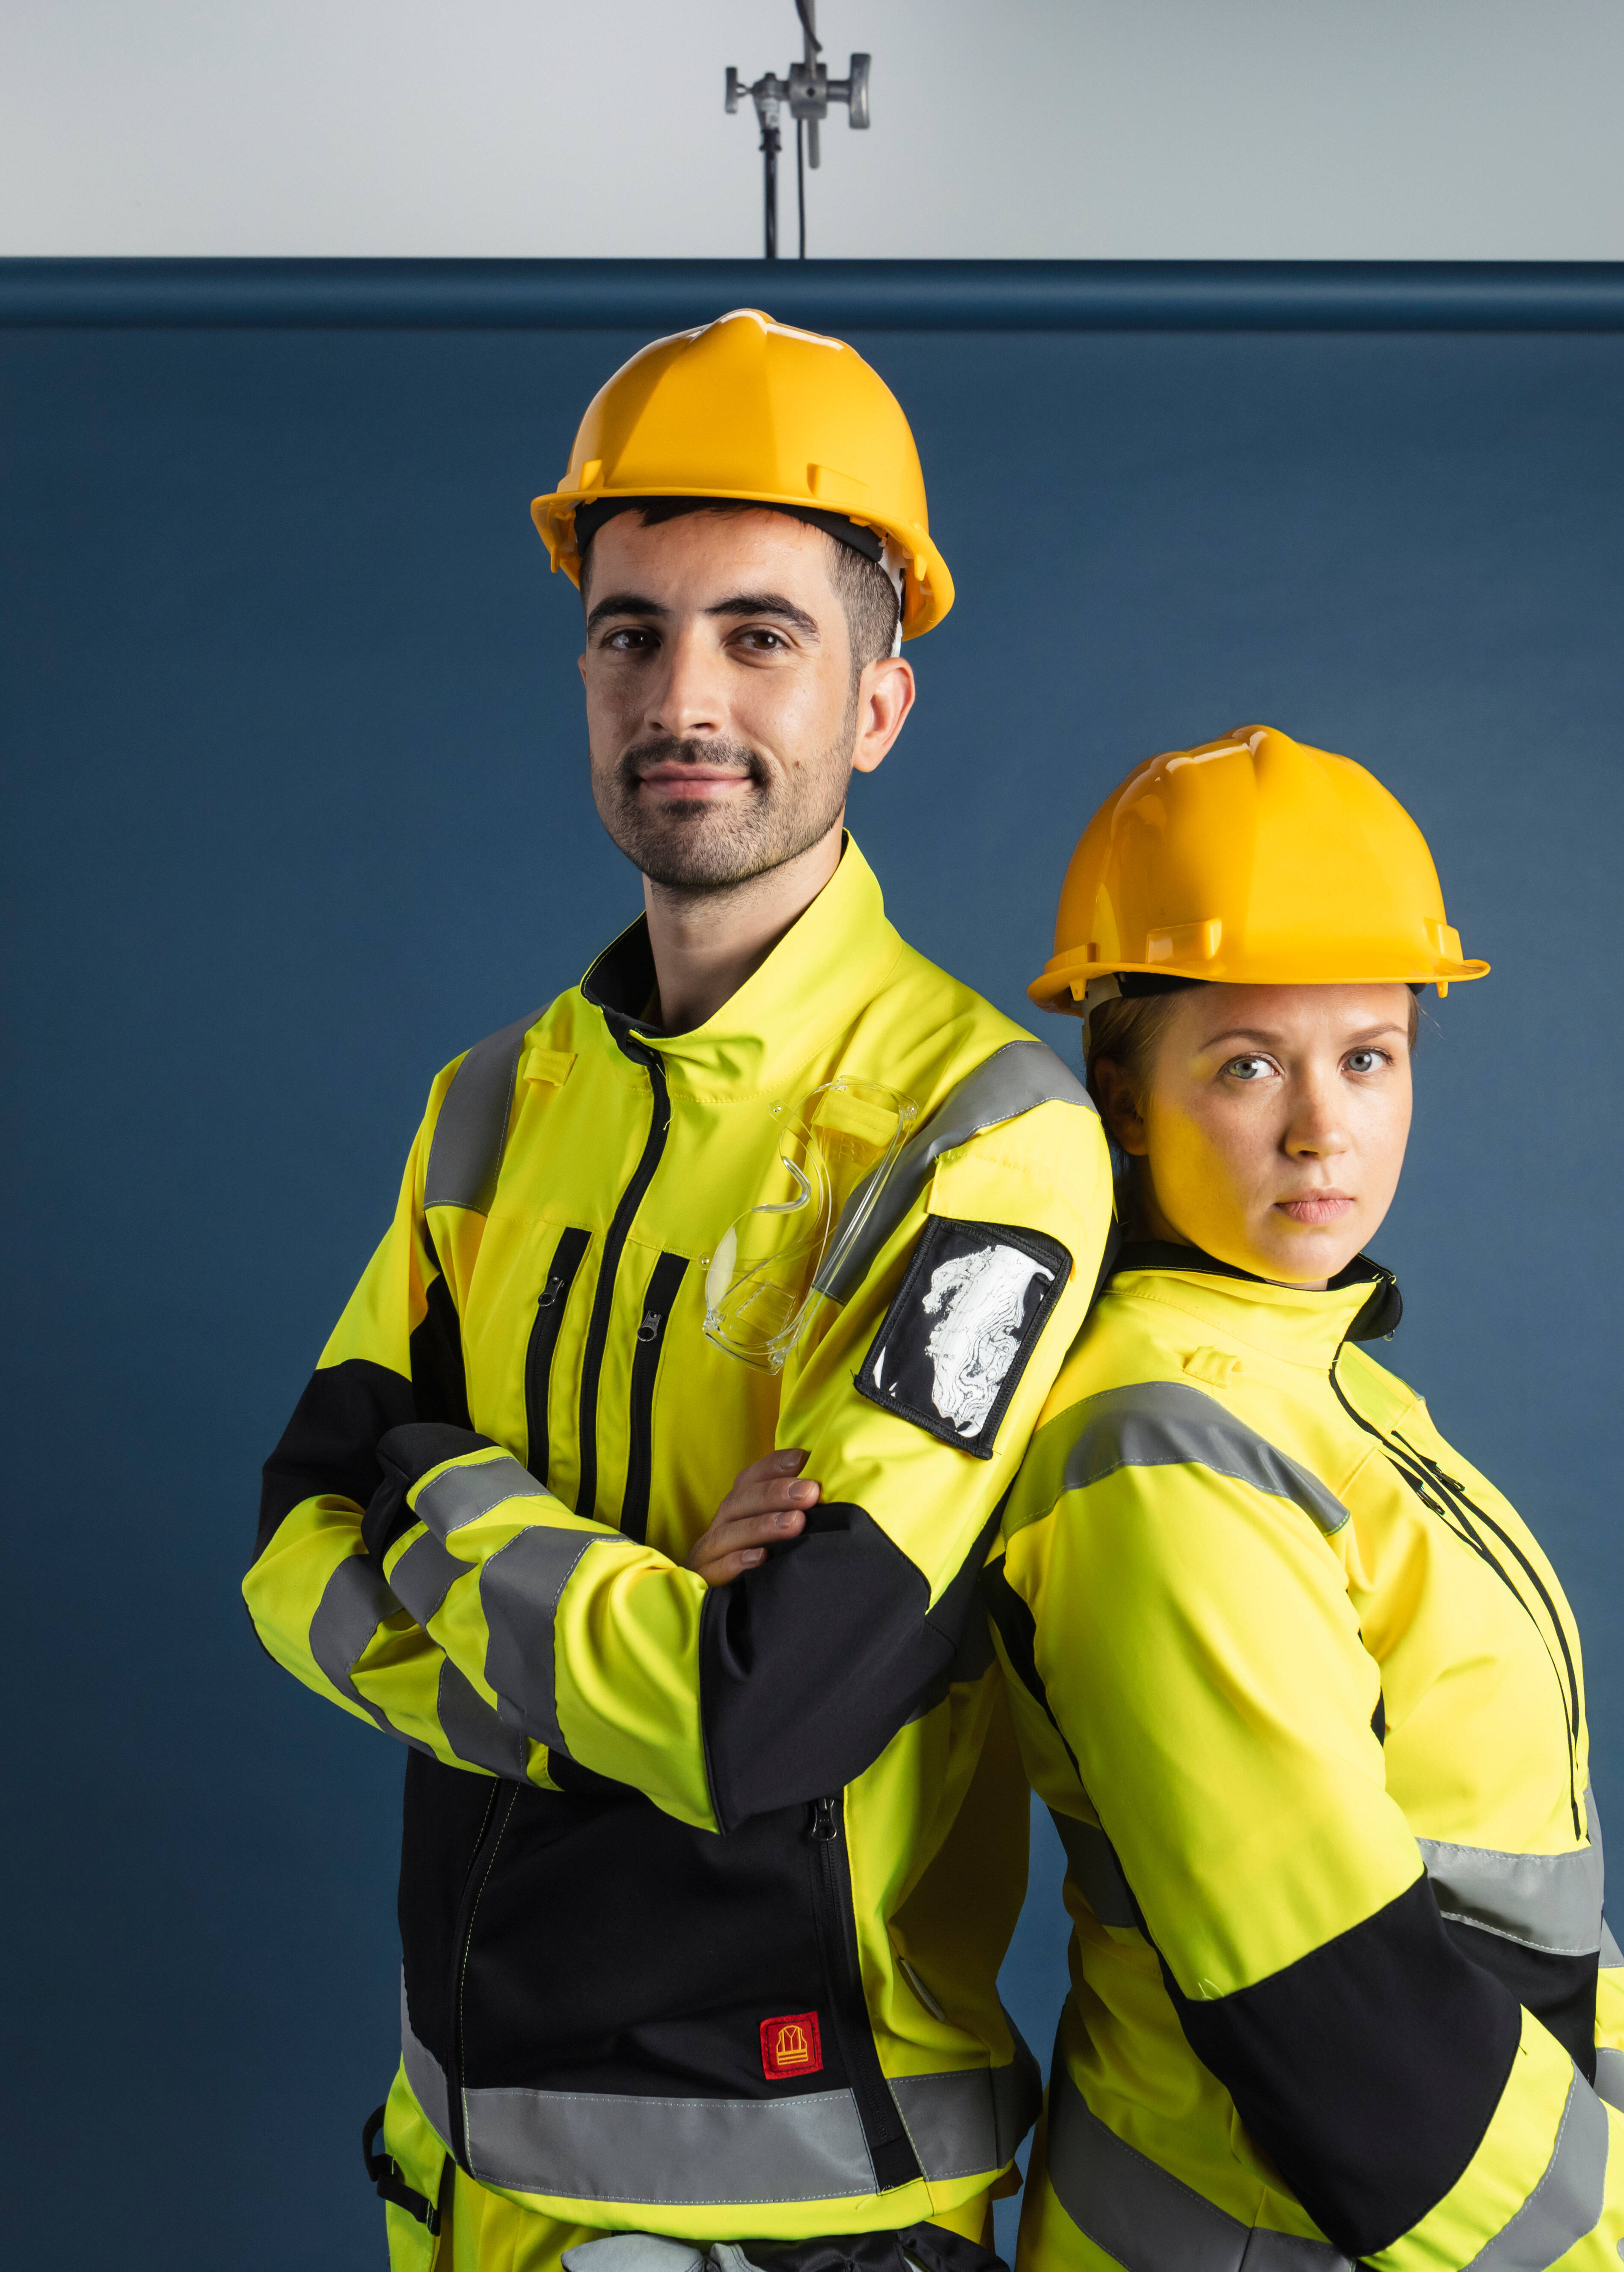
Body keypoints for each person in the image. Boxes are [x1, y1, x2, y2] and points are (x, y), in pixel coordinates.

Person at [243, 309, 1115, 2272]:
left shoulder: (985, 1144)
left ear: (879, 700)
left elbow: (763, 1714)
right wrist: (623, 1627)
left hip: (795, 2196)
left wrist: (446, 1489)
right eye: (631, 631)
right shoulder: (491, 1104)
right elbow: (288, 1543)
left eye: (760, 633)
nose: (683, 692)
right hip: (463, 2162)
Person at [988, 728, 1624, 2272]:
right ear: (1122, 1102)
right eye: (1247, 1063)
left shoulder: (1331, 1386)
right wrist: (1604, 2235)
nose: (1324, 1127)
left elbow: (1515, 1866)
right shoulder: (1163, 1450)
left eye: (1367, 1056)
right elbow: (1322, 1997)